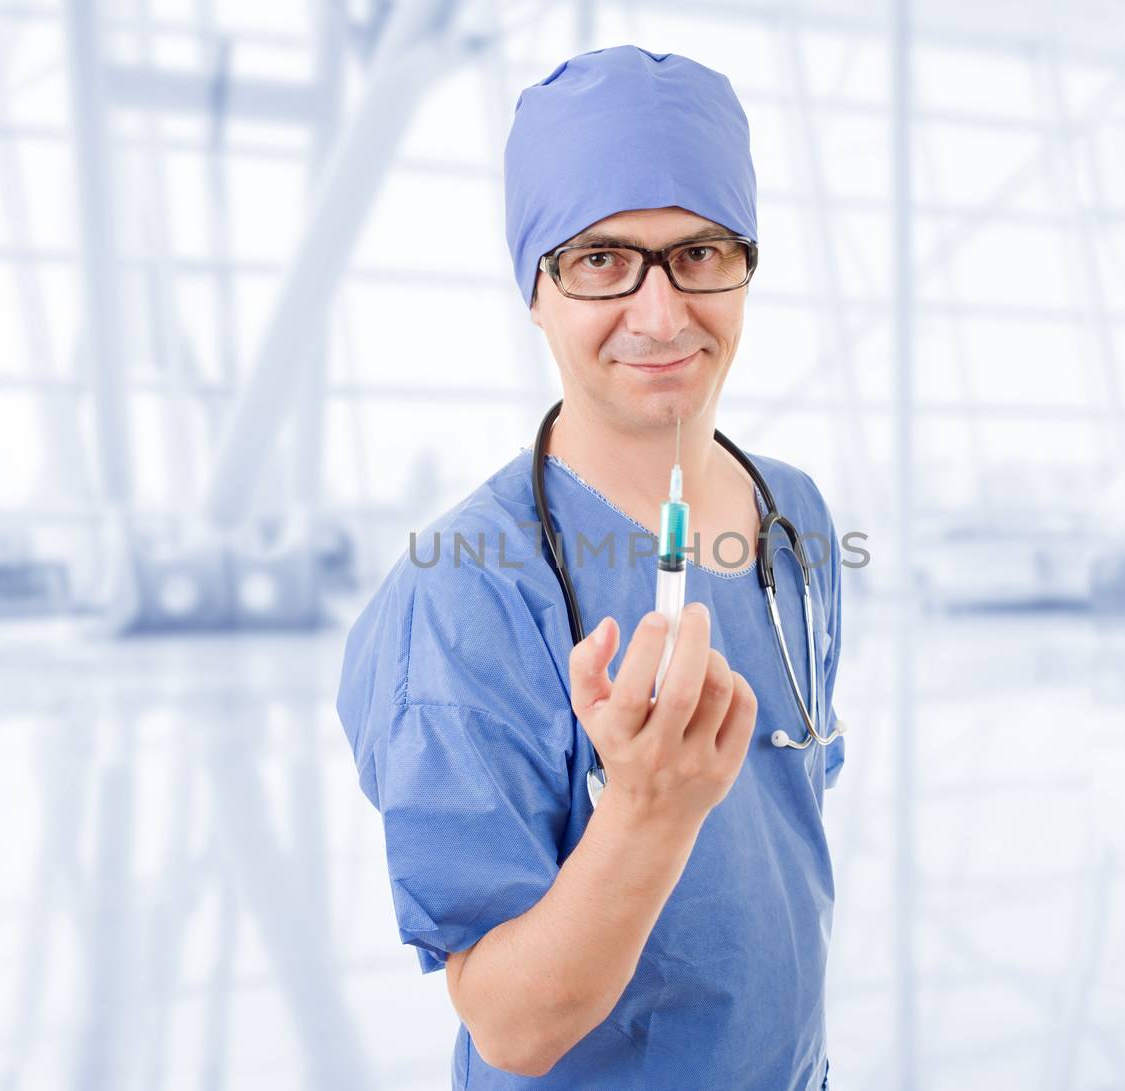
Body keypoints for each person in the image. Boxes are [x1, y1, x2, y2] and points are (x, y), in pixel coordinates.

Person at [336, 45, 846, 1089]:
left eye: (698, 253)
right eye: (601, 261)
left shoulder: (793, 517)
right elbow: (512, 1027)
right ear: (535, 288)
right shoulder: (467, 588)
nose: (660, 314)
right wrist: (646, 811)